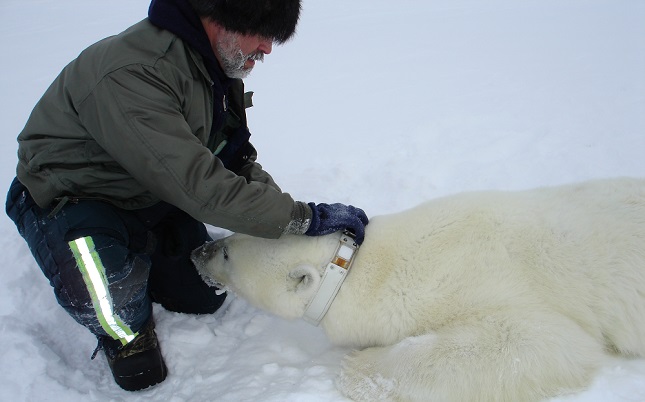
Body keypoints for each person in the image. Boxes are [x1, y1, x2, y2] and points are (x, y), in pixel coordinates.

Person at [5, 0, 368, 392]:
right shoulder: (134, 74)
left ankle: (141, 253)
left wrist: (291, 226)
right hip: (75, 200)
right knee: (128, 341)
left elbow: (232, 159)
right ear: (222, 19)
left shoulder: (213, 69)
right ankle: (121, 326)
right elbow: (201, 186)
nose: (267, 48)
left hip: (151, 191)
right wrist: (302, 218)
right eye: (262, 34)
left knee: (202, 297)